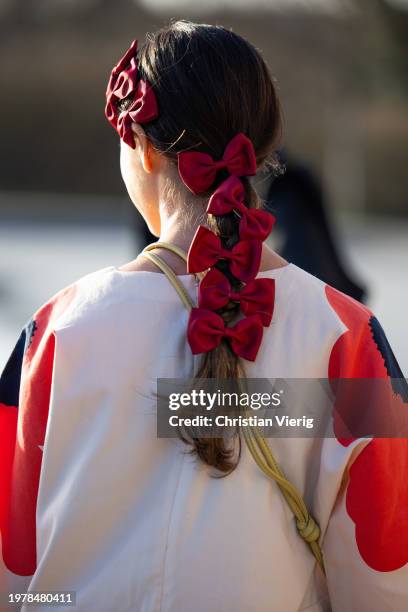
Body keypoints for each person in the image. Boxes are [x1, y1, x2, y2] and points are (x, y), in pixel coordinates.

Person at [0, 20, 407, 612]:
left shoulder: (55, 334)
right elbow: (385, 574)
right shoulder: (346, 338)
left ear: (139, 143)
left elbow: (15, 570)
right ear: (262, 152)